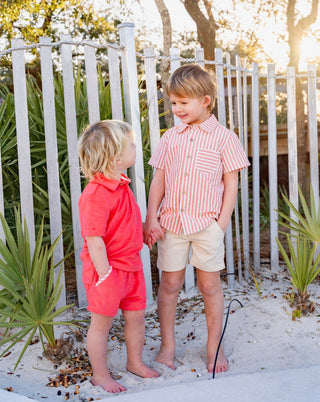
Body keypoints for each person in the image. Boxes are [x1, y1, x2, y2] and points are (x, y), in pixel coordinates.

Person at [143, 64, 250, 374]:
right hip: (172, 224)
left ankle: (214, 349)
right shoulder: (170, 138)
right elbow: (159, 181)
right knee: (170, 285)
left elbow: (231, 184)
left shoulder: (225, 138)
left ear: (205, 100)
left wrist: (221, 225)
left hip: (207, 226)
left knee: (209, 287)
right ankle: (167, 347)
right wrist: (152, 217)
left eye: (183, 102)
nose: (177, 109)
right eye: (173, 103)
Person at [77, 120, 159, 393]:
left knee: (136, 318)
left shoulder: (121, 184)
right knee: (101, 325)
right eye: (131, 145)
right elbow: (93, 238)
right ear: (115, 158)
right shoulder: (95, 194)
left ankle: (134, 362)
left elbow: (127, 221)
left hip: (132, 267)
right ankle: (100, 375)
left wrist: (142, 235)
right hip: (109, 271)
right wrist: (104, 274)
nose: (136, 148)